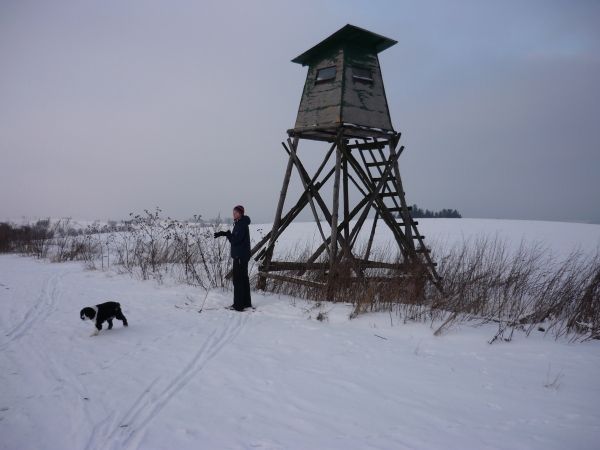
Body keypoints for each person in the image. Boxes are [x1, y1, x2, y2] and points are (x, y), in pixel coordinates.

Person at [213, 205, 252, 311]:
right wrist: (225, 233)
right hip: (242, 255)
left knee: (238, 280)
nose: (234, 214)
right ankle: (246, 303)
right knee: (243, 279)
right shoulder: (240, 223)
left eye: (236, 212)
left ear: (241, 213)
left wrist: (228, 235)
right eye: (233, 212)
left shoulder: (241, 224)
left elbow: (235, 240)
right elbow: (235, 237)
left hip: (240, 256)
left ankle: (238, 305)